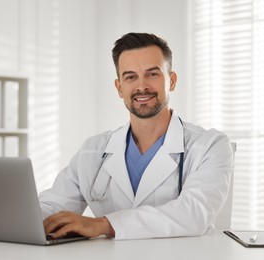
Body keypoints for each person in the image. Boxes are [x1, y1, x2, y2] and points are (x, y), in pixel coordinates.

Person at [39, 32, 234, 240]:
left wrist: (103, 225)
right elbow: (53, 205)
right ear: (119, 88)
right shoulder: (93, 151)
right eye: (131, 76)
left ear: (172, 81)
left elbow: (193, 213)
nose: (142, 86)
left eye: (152, 74)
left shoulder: (210, 146)